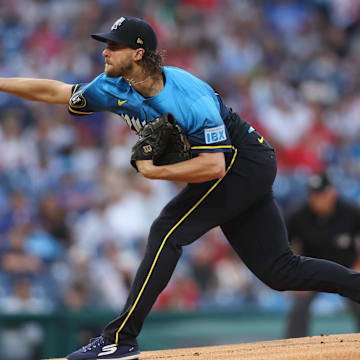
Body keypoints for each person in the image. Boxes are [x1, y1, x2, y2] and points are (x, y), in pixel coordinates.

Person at [1, 16, 360, 360]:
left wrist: (153, 172)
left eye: (113, 46)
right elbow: (58, 91)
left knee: (167, 230)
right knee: (280, 272)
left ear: (138, 54)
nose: (105, 52)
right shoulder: (112, 86)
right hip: (233, 169)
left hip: (243, 163)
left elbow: (215, 165)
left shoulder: (186, 95)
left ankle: (119, 339)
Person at [285, 173, 360, 338]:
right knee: (299, 303)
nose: (317, 200)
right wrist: (293, 274)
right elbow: (284, 245)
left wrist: (358, 265)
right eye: (314, 195)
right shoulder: (298, 215)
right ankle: (293, 347)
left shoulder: (350, 211)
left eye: (321, 195)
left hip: (346, 268)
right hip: (312, 270)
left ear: (332, 193)